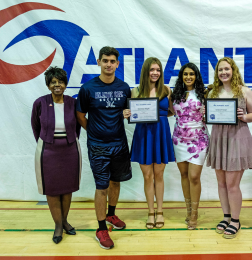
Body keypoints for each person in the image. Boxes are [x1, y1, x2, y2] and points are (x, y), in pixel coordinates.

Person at [76, 46, 132, 250]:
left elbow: (131, 112)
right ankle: (101, 228)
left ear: (117, 64)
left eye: (112, 61)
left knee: (115, 182)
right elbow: (80, 115)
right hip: (98, 146)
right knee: (102, 186)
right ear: (98, 62)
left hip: (119, 144)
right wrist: (94, 132)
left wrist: (130, 114)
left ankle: (111, 214)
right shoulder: (88, 88)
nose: (109, 64)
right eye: (105, 60)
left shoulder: (125, 87)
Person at [207, 57, 252, 239]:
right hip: (219, 138)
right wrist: (207, 113)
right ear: (217, 73)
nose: (224, 73)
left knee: (232, 184)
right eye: (220, 70)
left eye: (227, 69)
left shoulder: (245, 91)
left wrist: (244, 116)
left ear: (233, 70)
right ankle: (226, 216)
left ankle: (235, 220)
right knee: (221, 183)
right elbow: (209, 114)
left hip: (237, 138)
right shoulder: (212, 92)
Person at [31, 67, 81, 244]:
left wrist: (70, 141)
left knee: (67, 189)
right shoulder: (40, 103)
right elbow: (36, 127)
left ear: (66, 84)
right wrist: (46, 142)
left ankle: (65, 221)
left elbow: (78, 126)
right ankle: (58, 226)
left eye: (60, 81)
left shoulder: (73, 103)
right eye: (53, 82)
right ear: (48, 85)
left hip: (69, 150)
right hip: (48, 152)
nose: (57, 85)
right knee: (52, 190)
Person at [124, 57, 175, 229]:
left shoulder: (167, 89)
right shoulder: (135, 90)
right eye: (152, 70)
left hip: (161, 133)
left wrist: (159, 117)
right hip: (143, 134)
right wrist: (128, 113)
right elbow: (132, 113)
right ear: (145, 71)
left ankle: (160, 211)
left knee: (159, 175)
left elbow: (171, 112)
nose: (155, 73)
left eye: (158, 70)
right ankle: (150, 212)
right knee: (147, 176)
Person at [171, 63, 209, 230]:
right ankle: (188, 210)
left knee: (194, 176)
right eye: (185, 74)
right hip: (179, 140)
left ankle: (194, 213)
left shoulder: (204, 93)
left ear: (196, 76)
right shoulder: (175, 94)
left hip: (199, 140)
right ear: (181, 76)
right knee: (184, 175)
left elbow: (211, 114)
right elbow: (167, 112)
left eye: (192, 74)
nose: (188, 77)